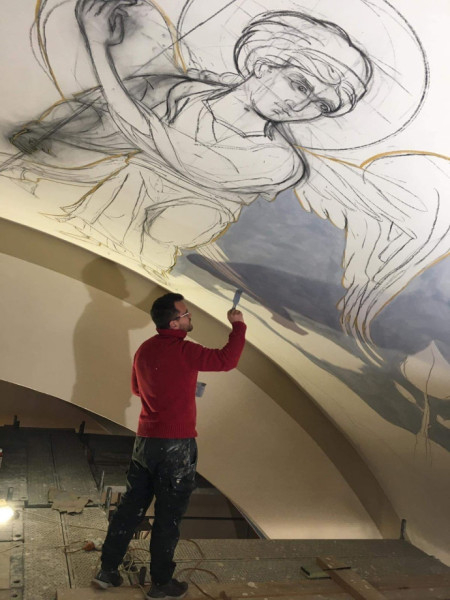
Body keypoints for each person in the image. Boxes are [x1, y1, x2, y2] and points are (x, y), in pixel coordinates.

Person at [92, 292, 246, 599]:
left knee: (130, 509)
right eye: (186, 314)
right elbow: (227, 360)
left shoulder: (144, 350)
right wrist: (238, 325)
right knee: (168, 517)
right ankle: (161, 584)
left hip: (144, 443)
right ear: (174, 323)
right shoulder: (185, 350)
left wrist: (171, 388)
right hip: (175, 446)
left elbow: (137, 389)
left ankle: (107, 571)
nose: (190, 317)